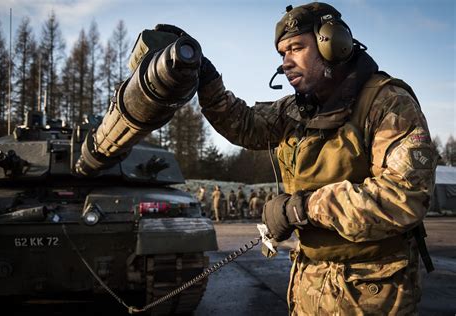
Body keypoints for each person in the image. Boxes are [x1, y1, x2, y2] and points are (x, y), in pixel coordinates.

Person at [154, 2, 437, 314]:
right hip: (308, 281)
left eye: (296, 48)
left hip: (371, 290)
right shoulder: (295, 109)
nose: (286, 62)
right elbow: (244, 125)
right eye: (282, 54)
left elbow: (403, 197)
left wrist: (301, 208)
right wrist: (205, 76)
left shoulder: (388, 104)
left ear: (334, 45)